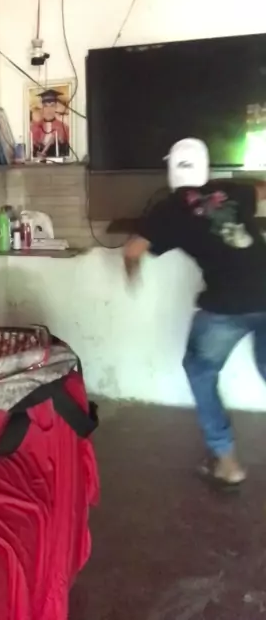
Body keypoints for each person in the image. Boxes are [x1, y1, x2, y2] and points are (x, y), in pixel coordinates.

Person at [123, 138, 266, 489]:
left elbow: (132, 250)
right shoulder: (232, 189)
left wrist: (132, 276)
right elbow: (263, 189)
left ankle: (227, 463)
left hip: (227, 304)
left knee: (200, 369)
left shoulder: (169, 209)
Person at [30, 89, 70, 158]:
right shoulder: (35, 127)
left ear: (55, 107)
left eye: (52, 105)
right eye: (46, 106)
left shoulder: (64, 127)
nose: (49, 109)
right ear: (42, 108)